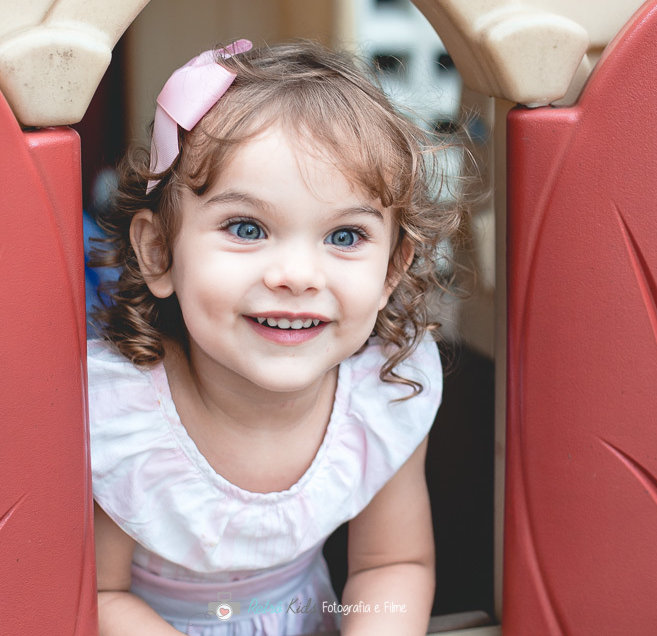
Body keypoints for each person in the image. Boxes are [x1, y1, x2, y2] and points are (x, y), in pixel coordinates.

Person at [87, 39, 466, 635]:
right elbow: (97, 596)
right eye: (247, 227)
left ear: (393, 267)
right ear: (159, 251)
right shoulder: (120, 414)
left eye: (344, 236)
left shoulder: (384, 392)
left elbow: (393, 563)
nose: (296, 276)